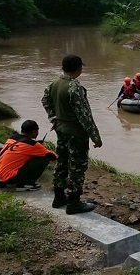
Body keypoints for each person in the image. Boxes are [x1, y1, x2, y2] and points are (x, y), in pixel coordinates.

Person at [42, 54, 103, 215]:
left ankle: (59, 197)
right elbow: (84, 115)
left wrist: (53, 117)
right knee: (77, 167)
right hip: (76, 133)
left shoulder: (54, 83)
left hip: (61, 130)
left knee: (61, 163)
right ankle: (74, 203)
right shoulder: (74, 87)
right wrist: (95, 137)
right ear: (79, 69)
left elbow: (45, 100)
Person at [0, 120, 57, 191]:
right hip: (9, 178)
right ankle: (27, 183)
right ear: (33, 131)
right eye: (37, 130)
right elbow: (52, 156)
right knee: (44, 159)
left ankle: (21, 181)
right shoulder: (32, 144)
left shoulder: (12, 137)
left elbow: (24, 147)